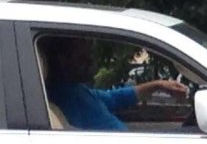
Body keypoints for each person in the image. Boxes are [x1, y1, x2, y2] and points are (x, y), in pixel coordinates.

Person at [42, 37, 189, 131]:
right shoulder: (64, 97)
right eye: (82, 57)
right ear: (62, 59)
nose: (90, 61)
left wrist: (158, 85)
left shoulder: (75, 90)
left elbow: (113, 98)